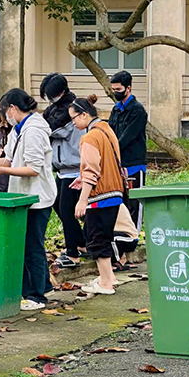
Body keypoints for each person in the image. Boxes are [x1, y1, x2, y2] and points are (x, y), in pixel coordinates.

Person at [0, 88, 57, 311]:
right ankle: (39, 287)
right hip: (22, 197)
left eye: (5, 113)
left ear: (13, 109)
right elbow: (10, 159)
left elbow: (32, 169)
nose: (6, 118)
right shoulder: (17, 130)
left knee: (33, 246)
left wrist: (3, 172)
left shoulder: (34, 130)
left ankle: (37, 296)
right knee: (25, 244)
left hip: (37, 197)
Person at [69, 95, 136, 295]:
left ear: (83, 115)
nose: (72, 123)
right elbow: (107, 163)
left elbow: (91, 170)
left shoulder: (89, 137)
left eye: (73, 118)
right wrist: (84, 179)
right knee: (103, 237)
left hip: (100, 197)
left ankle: (106, 283)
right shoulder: (107, 130)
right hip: (115, 192)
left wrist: (82, 200)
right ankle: (108, 277)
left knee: (97, 238)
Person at [39, 73, 87, 268]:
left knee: (67, 211)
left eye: (51, 95)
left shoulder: (71, 111)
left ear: (61, 91)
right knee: (58, 205)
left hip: (74, 169)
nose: (50, 100)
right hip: (61, 170)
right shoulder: (54, 109)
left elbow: (54, 130)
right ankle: (82, 242)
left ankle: (72, 253)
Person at [108, 71, 148, 249]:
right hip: (119, 163)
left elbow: (127, 137)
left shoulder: (138, 111)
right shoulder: (116, 109)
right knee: (122, 203)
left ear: (128, 88)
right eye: (113, 89)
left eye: (118, 89)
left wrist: (112, 148)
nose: (115, 92)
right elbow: (110, 132)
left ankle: (134, 239)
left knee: (135, 203)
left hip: (134, 163)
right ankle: (124, 237)